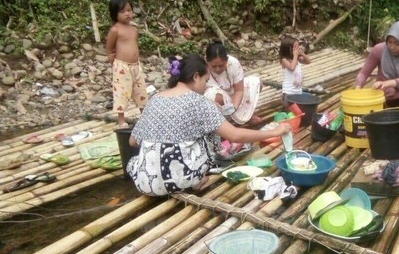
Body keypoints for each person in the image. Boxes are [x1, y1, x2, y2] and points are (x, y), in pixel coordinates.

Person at [127, 54, 291, 196]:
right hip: (179, 181)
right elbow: (235, 135)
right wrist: (275, 131)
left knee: (138, 158)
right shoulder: (199, 102)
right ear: (196, 76)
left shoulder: (155, 99)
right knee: (209, 135)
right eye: (205, 80)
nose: (206, 86)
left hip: (145, 183)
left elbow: (132, 142)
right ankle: (195, 180)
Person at [106, 0, 148, 129]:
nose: (127, 13)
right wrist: (111, 58)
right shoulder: (115, 29)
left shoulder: (134, 29)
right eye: (123, 11)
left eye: (129, 10)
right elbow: (109, 47)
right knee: (122, 93)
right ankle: (121, 120)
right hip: (122, 66)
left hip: (136, 66)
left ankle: (144, 116)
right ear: (115, 14)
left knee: (140, 91)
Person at [204, 41, 262, 125]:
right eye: (213, 66)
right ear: (206, 61)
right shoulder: (202, 68)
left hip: (233, 92)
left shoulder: (233, 63)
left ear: (227, 61)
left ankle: (246, 116)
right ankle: (220, 124)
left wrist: (233, 107)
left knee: (257, 82)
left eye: (221, 66)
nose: (217, 69)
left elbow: (239, 90)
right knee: (216, 95)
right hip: (214, 99)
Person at [279, 36, 310, 107]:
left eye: (298, 46)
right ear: (288, 49)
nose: (297, 48)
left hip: (298, 91)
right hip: (288, 92)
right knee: (289, 110)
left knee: (298, 110)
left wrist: (302, 54)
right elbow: (292, 67)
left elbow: (308, 61)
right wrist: (295, 55)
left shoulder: (298, 59)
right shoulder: (284, 60)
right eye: (295, 47)